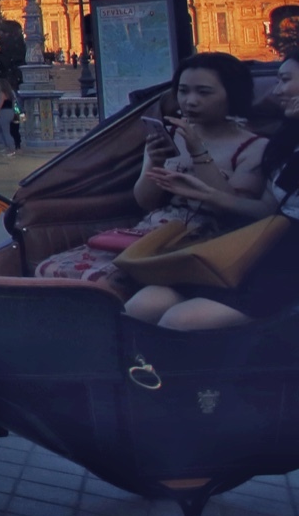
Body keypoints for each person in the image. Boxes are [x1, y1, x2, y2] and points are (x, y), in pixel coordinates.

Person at [37, 53, 266, 285]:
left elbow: (234, 209)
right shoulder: (169, 135)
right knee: (49, 268)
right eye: (184, 91)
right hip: (152, 231)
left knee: (98, 279)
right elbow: (145, 201)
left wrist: (198, 153)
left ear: (232, 94)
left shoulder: (253, 147)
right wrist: (154, 163)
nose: (190, 101)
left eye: (204, 92)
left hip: (205, 240)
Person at [124, 54, 299, 330]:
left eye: (285, 80)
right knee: (141, 305)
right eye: (183, 91)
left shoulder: (256, 146)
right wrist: (206, 194)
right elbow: (267, 211)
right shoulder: (286, 142)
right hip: (250, 250)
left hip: (282, 265)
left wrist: (201, 163)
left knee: (179, 320)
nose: (276, 91)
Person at [0, 79, 18, 154]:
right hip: (10, 112)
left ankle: (11, 148)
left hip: (5, 112)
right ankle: (7, 146)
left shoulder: (2, 93)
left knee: (5, 131)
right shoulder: (10, 93)